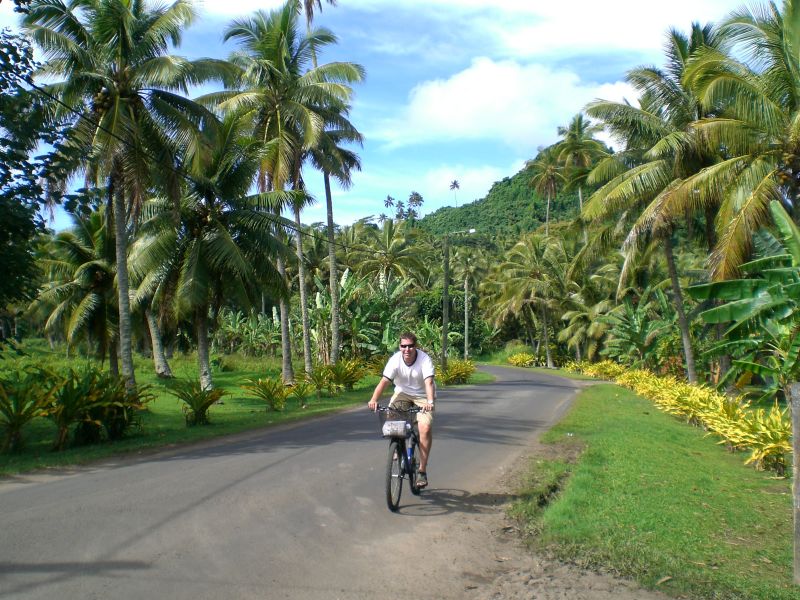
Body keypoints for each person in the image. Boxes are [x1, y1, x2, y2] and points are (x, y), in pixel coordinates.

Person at [368, 332, 436, 488]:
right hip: (402, 393)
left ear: (415, 346)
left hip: (423, 396)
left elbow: (429, 382)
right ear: (400, 347)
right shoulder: (395, 360)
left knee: (424, 428)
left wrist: (430, 402)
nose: (407, 349)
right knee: (391, 419)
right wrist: (373, 400)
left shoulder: (424, 360)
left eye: (410, 346)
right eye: (403, 346)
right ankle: (397, 448)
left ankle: (422, 472)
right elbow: (384, 382)